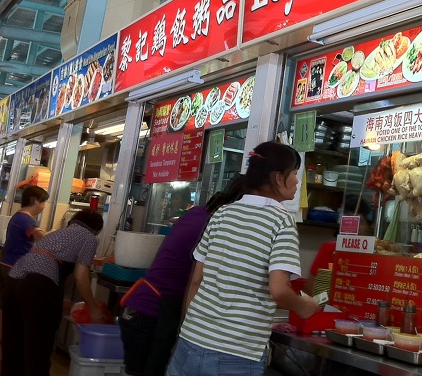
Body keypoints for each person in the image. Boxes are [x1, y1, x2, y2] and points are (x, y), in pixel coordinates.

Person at [166, 142, 321, 376]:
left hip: (189, 342)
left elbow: (196, 281)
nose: (297, 182)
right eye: (295, 174)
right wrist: (305, 307)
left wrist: (199, 329)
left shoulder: (222, 213)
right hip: (236, 354)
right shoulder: (281, 220)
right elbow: (279, 290)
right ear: (279, 178)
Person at [119, 179, 247, 376]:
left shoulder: (198, 213)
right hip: (154, 313)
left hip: (140, 308)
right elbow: (199, 279)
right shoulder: (215, 224)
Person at [1, 209, 104, 376]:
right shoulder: (89, 237)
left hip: (13, 282)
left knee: (13, 349)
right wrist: (93, 308)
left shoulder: (58, 233)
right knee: (37, 352)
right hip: (37, 286)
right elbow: (80, 276)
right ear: (96, 229)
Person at [0, 185, 49, 363]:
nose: (44, 206)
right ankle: (1, 351)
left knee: (0, 309)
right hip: (15, 269)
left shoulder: (18, 216)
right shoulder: (26, 219)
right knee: (9, 312)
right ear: (35, 201)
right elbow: (42, 238)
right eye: (43, 202)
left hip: (6, 265)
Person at [303, 195, 373, 295]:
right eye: (350, 222)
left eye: (360, 222)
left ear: (369, 226)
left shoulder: (374, 254)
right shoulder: (330, 248)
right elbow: (310, 287)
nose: (355, 228)